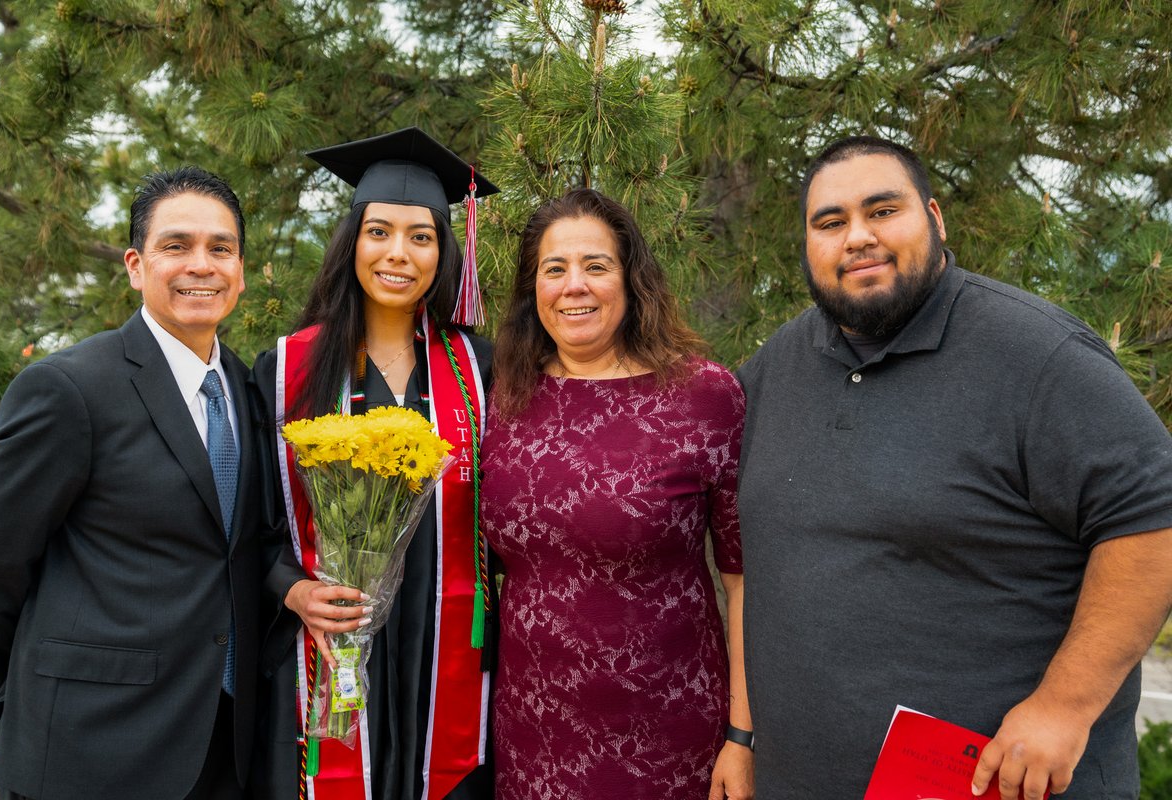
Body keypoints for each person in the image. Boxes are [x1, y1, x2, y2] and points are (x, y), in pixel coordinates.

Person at [737, 135, 1172, 799]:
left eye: (883, 211)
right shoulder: (777, 367)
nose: (857, 237)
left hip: (997, 782)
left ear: (935, 220)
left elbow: (1153, 519)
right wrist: (742, 740)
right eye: (830, 222)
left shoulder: (1038, 358)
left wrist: (1066, 705)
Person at [0, 167, 260, 799]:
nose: (201, 266)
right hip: (89, 746)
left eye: (221, 248)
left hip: (224, 747)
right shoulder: (70, 387)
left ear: (241, 269)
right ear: (135, 264)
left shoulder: (251, 391)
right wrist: (36, 678)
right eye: (176, 246)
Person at [481, 188, 754, 800]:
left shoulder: (705, 397)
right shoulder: (503, 396)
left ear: (632, 280)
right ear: (534, 290)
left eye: (595, 266)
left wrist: (743, 735)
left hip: (669, 734)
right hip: (532, 732)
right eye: (554, 269)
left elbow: (743, 580)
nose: (574, 285)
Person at [251, 127, 497, 800]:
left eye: (421, 237)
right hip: (330, 643)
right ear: (351, 241)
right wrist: (294, 591)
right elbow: (251, 526)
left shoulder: (481, 368)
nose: (398, 254)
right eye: (379, 231)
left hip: (444, 641)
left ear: (445, 252)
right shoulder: (286, 369)